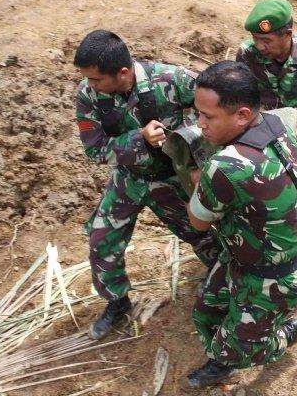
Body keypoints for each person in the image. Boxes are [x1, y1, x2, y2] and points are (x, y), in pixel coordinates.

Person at [73, 30, 219, 340]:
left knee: (202, 234)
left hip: (171, 178)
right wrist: (138, 137)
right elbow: (95, 149)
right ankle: (117, 302)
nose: (90, 85)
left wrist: (189, 150)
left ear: (122, 73)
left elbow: (216, 116)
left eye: (97, 80)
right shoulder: (89, 96)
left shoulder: (171, 78)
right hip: (129, 179)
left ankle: (222, 280)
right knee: (102, 240)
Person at [186, 61, 297, 388]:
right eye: (197, 114)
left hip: (274, 279)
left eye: (208, 117)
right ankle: (227, 351)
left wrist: (199, 183)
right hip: (249, 258)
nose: (200, 124)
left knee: (240, 351)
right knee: (205, 313)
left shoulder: (226, 167)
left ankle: (286, 332)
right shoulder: (275, 123)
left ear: (242, 115)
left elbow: (197, 222)